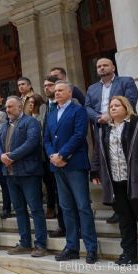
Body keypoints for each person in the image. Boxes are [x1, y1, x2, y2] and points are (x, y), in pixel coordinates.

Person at [91, 96, 138, 269]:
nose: (113, 108)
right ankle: (129, 255)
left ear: (126, 107)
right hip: (116, 182)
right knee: (125, 221)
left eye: (117, 105)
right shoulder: (104, 129)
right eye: (111, 106)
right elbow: (97, 154)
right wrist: (95, 171)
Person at [45, 81, 98, 264]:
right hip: (57, 165)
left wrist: (63, 154)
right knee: (66, 207)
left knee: (83, 206)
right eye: (55, 90)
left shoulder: (78, 110)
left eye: (60, 90)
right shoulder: (51, 114)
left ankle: (91, 248)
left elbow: (79, 135)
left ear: (69, 93)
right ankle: (72, 247)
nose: (56, 93)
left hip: (74, 163)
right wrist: (52, 155)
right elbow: (47, 139)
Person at [85, 57, 138, 224]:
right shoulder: (92, 88)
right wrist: (100, 118)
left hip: (123, 128)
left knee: (124, 165)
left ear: (113, 67)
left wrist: (111, 115)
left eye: (105, 65)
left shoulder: (126, 81)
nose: (101, 68)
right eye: (99, 66)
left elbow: (130, 101)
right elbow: (87, 107)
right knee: (108, 167)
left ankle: (134, 205)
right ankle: (117, 208)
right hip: (102, 129)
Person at [0, 96, 48, 257]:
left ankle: (40, 245)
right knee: (19, 209)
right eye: (6, 107)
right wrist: (1, 156)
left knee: (36, 209)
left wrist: (12, 156)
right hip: (10, 174)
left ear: (20, 107)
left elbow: (32, 142)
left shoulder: (30, 122)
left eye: (11, 106)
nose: (7, 109)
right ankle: (25, 243)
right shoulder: (4, 126)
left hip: (28, 172)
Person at [39, 75, 64, 233]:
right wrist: (48, 154)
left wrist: (61, 154)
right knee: (53, 189)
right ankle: (62, 226)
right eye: (45, 85)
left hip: (64, 156)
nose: (47, 88)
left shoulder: (69, 104)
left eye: (50, 85)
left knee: (66, 194)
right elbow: (44, 132)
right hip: (47, 156)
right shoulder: (43, 108)